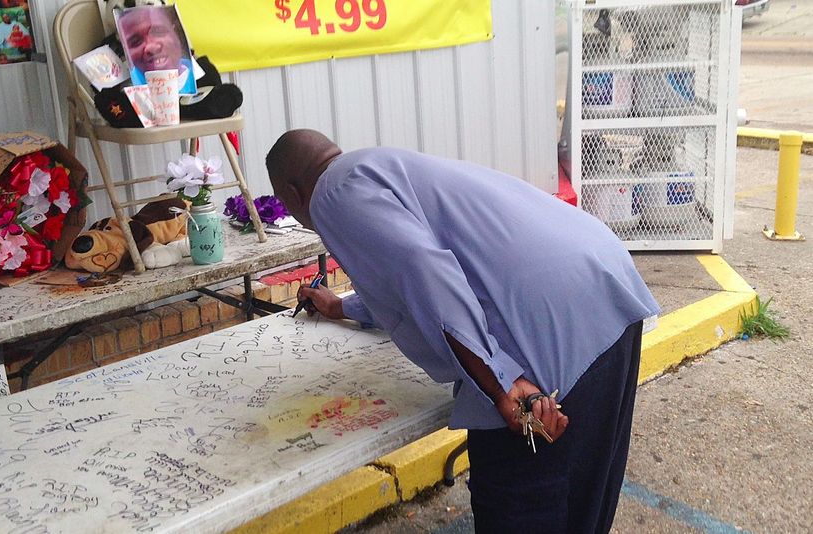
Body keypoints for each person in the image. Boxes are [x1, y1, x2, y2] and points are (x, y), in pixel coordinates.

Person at [266, 130, 660, 533]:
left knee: (522, 500)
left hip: (546, 323)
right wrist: (343, 307)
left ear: (293, 194)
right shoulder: (376, 164)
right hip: (603, 288)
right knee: (582, 499)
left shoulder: (332, 196)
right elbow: (407, 284)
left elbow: (422, 270)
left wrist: (500, 383)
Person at [116, 6, 192, 92]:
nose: (151, 47)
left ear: (176, 33)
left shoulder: (203, 81)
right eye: (135, 42)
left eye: (158, 32)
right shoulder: (124, 93)